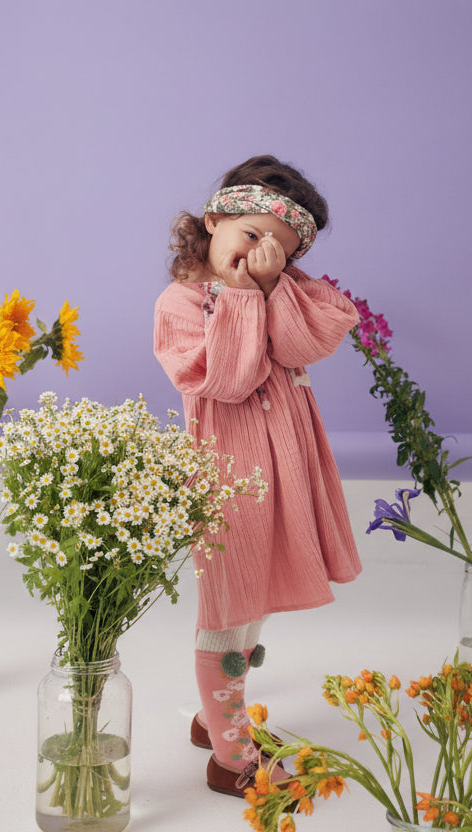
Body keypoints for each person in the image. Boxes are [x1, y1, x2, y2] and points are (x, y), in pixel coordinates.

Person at [153, 155, 362, 797]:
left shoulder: (280, 286)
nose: (261, 255)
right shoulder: (180, 303)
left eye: (281, 250)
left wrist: (273, 286)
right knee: (227, 606)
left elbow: (314, 337)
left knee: (256, 599)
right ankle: (230, 758)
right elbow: (231, 378)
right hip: (226, 474)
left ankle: (213, 717)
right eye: (250, 235)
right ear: (214, 219)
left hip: (284, 467)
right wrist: (244, 299)